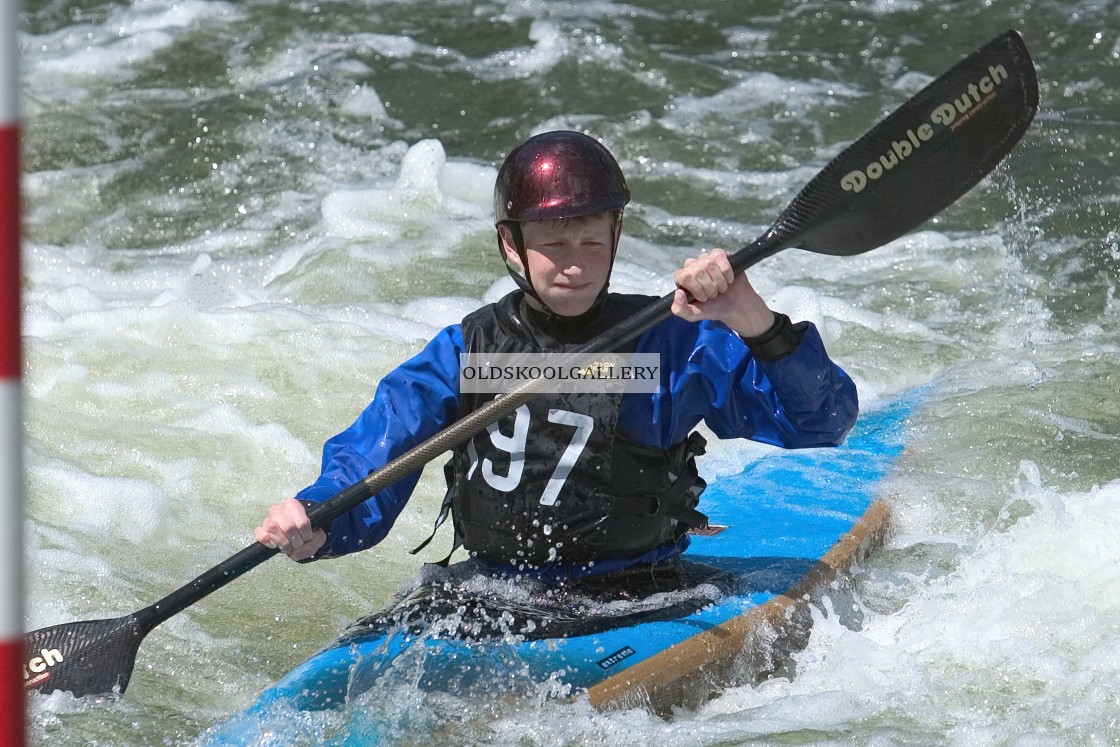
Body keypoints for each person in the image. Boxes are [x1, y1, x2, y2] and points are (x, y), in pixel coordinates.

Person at [254, 130, 858, 587]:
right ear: (510, 245)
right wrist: (318, 519)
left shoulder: (673, 342)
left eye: (592, 242)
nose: (575, 264)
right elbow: (376, 455)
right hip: (495, 590)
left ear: (616, 238)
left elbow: (822, 423)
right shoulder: (468, 351)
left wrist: (752, 319)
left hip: (635, 592)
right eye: (552, 244)